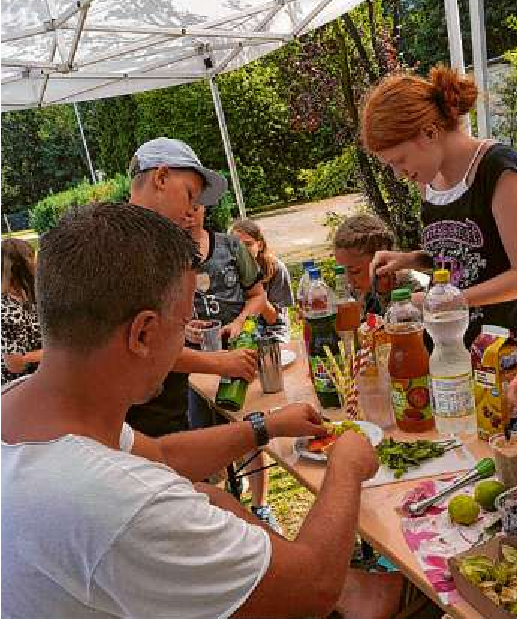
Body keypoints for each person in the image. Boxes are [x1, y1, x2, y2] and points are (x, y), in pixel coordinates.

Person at [2, 201, 403, 619]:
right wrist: (346, 466)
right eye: (183, 325)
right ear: (142, 332)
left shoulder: (28, 407)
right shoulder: (115, 501)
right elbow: (314, 589)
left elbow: (163, 458)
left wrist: (262, 427)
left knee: (207, 493)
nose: (186, 341)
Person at [362, 65, 517, 346]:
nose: (399, 174)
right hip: (448, 347)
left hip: (499, 353)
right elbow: (465, 257)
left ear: (430, 133)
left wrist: (449, 302)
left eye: (399, 160)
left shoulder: (499, 172)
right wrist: (412, 260)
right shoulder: (430, 182)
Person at [126, 138, 260, 436]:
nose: (191, 211)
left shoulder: (151, 244)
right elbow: (143, 347)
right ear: (161, 177)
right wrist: (220, 362)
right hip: (140, 426)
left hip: (167, 414)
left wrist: (179, 328)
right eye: (189, 195)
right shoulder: (128, 248)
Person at [183, 204, 281, 530]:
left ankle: (260, 507)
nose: (187, 212)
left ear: (203, 207)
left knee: (252, 431)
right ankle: (224, 517)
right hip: (196, 364)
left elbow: (258, 295)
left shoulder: (231, 246)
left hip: (241, 353)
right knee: (207, 439)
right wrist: (184, 329)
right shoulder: (166, 257)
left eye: (194, 203)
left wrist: (241, 321)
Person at [334, 214, 425, 317]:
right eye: (343, 271)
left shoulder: (411, 289)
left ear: (382, 263)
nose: (349, 280)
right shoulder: (358, 291)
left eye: (355, 271)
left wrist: (384, 295)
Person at [231, 218, 294, 343]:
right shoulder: (228, 271)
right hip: (242, 329)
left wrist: (257, 295)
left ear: (259, 245)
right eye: (237, 245)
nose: (243, 250)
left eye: (248, 244)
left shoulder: (275, 269)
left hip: (273, 329)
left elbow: (273, 319)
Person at [1, 238, 42, 384]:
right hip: (19, 384)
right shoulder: (7, 312)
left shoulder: (25, 293)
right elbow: (14, 365)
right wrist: (50, 353)